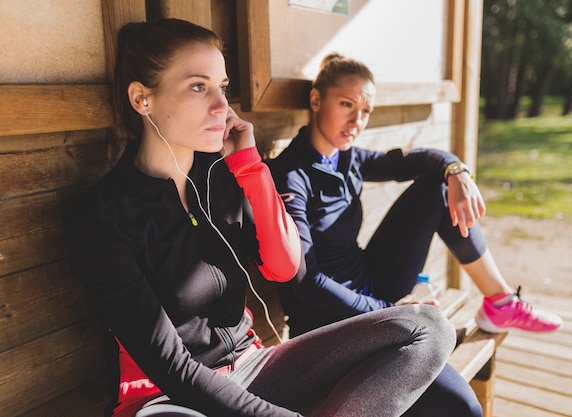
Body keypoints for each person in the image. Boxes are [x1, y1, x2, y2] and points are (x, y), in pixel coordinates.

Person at [65, 19, 459, 417]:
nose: (221, 106)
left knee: (427, 329)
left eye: (221, 87)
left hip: (254, 368)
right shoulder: (102, 218)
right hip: (171, 400)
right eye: (198, 86)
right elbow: (172, 369)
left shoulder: (223, 179)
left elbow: (287, 267)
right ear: (141, 99)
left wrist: (250, 168)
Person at [269, 53, 565, 415]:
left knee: (437, 187)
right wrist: (388, 310)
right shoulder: (290, 176)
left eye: (365, 111)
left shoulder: (347, 158)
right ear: (316, 100)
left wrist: (456, 170)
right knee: (464, 408)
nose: (356, 121)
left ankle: (500, 303)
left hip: (373, 295)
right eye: (346, 105)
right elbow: (307, 282)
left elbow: (421, 159)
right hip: (331, 325)